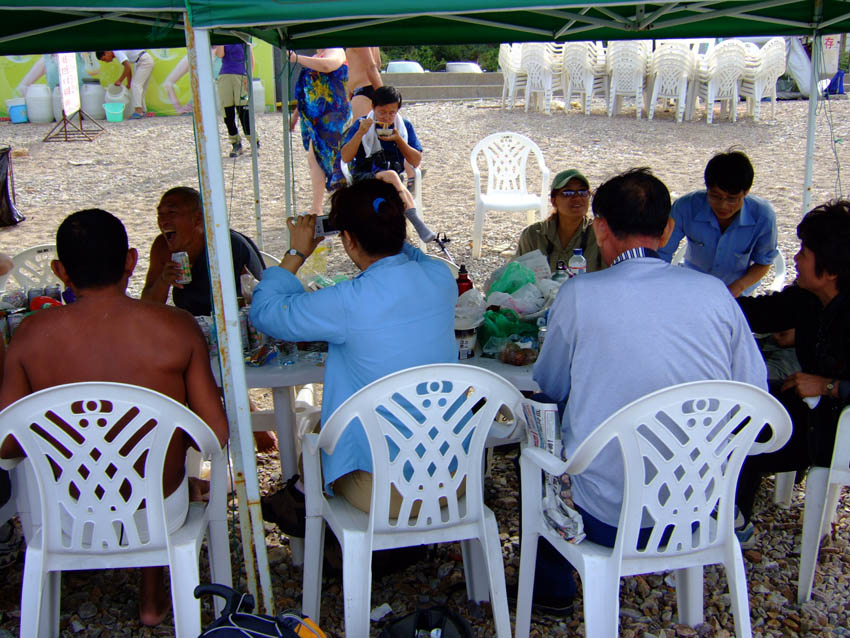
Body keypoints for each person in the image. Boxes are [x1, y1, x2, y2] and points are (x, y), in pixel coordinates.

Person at [528, 168, 766, 613]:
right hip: (700, 511)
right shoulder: (716, 294)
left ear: (601, 229)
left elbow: (550, 385)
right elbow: (753, 393)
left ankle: (552, 591)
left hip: (607, 518)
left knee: (536, 446)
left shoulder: (579, 294)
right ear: (669, 230)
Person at [0, 208, 229, 627]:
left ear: (60, 271)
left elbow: (6, 445)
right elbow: (214, 433)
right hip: (159, 510)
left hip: (69, 513)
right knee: (155, 457)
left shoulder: (30, 336)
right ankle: (151, 596)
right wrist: (167, 443)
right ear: (131, 261)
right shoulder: (176, 328)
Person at [250, 179, 456, 519]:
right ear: (399, 227)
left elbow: (265, 312)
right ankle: (302, 502)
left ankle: (305, 510)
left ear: (348, 240)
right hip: (454, 475)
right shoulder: (440, 277)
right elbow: (412, 255)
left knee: (316, 444)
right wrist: (387, 230)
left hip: (388, 492)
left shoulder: (347, 302)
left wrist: (297, 253)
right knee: (327, 434)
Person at [734, 200, 850, 546]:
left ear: (831, 270)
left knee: (746, 433)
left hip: (838, 431)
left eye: (804, 252)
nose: (795, 259)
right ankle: (733, 514)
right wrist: (705, 297)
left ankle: (733, 523)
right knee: (742, 407)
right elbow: (755, 312)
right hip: (812, 410)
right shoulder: (808, 299)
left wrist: (829, 386)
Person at [658, 150, 778, 297]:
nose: (723, 206)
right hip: (692, 287)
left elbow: (764, 262)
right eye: (715, 196)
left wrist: (737, 288)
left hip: (736, 292)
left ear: (746, 192)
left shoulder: (763, 215)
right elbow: (662, 251)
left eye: (732, 199)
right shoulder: (686, 207)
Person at [141, 186, 264, 317]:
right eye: (160, 214)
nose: (163, 221)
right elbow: (147, 308)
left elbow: (251, 303)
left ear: (198, 218)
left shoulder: (226, 247)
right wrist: (163, 281)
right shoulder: (163, 247)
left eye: (172, 213)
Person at [290, 48, 351, 214]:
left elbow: (327, 66)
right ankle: (318, 207)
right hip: (315, 119)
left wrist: (296, 58)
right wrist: (295, 115)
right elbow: (308, 91)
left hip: (333, 116)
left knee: (333, 161)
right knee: (315, 158)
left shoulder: (335, 50)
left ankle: (325, 207)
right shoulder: (316, 56)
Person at [515, 168, 604, 274]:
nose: (577, 198)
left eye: (583, 192)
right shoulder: (533, 236)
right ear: (554, 200)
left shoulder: (599, 234)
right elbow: (518, 277)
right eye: (568, 193)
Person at [341, 86, 422, 192]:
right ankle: (406, 202)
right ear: (373, 107)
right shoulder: (362, 124)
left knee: (392, 178)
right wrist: (360, 133)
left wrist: (399, 140)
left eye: (392, 113)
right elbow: (345, 158)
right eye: (382, 112)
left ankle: (405, 202)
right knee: (392, 177)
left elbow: (416, 161)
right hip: (365, 176)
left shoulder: (403, 127)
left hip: (394, 177)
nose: (386, 117)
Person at [214, 43, 256, 157]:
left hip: (241, 77)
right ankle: (235, 143)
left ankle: (253, 141)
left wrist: (249, 77)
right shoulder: (225, 39)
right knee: (227, 113)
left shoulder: (244, 40)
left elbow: (251, 61)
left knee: (244, 111)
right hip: (225, 77)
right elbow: (220, 54)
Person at [96, 50, 155, 119]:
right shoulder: (118, 52)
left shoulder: (117, 52)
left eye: (104, 59)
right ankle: (143, 111)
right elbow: (128, 68)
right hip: (144, 60)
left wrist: (120, 80)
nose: (106, 61)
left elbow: (128, 67)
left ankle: (138, 111)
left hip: (144, 61)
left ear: (107, 52)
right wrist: (129, 83)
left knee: (136, 85)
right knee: (140, 87)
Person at [346, 47, 383, 119]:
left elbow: (371, 66)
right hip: (365, 90)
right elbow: (377, 63)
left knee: (362, 126)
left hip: (362, 92)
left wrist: (384, 97)